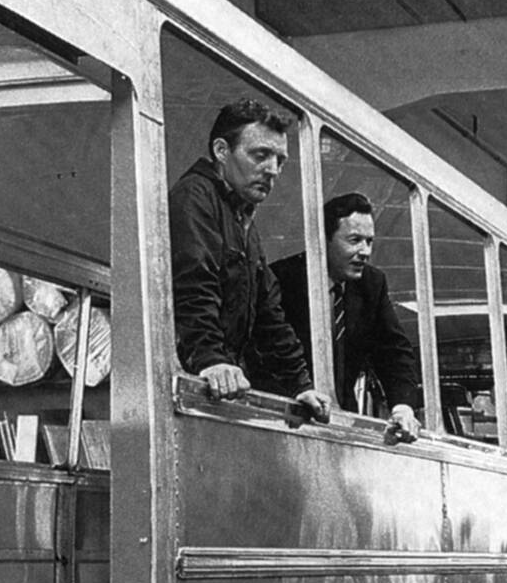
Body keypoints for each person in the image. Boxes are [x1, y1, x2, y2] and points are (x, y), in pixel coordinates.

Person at [168, 98, 330, 422]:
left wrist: (299, 384)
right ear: (221, 151)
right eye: (260, 155)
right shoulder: (195, 198)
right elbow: (193, 283)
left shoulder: (243, 220)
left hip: (217, 386)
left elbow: (269, 312)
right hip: (189, 386)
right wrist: (210, 359)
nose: (272, 170)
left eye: (279, 160)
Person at [267, 192, 420, 441]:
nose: (365, 251)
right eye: (354, 240)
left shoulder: (372, 284)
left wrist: (402, 406)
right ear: (324, 240)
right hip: (288, 421)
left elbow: (393, 352)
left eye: (369, 242)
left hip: (342, 424)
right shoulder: (282, 279)